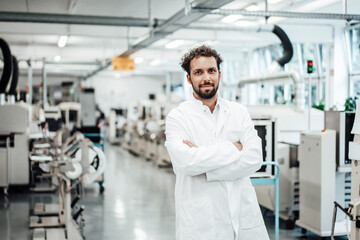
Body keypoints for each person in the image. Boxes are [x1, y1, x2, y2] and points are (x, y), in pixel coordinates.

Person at [165, 45, 269, 240]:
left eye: (211, 71)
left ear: (219, 74)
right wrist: (234, 148)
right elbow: (186, 162)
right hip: (201, 221)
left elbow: (255, 158)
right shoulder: (178, 117)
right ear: (189, 78)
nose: (206, 78)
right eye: (198, 72)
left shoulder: (239, 112)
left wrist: (206, 167)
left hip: (243, 214)